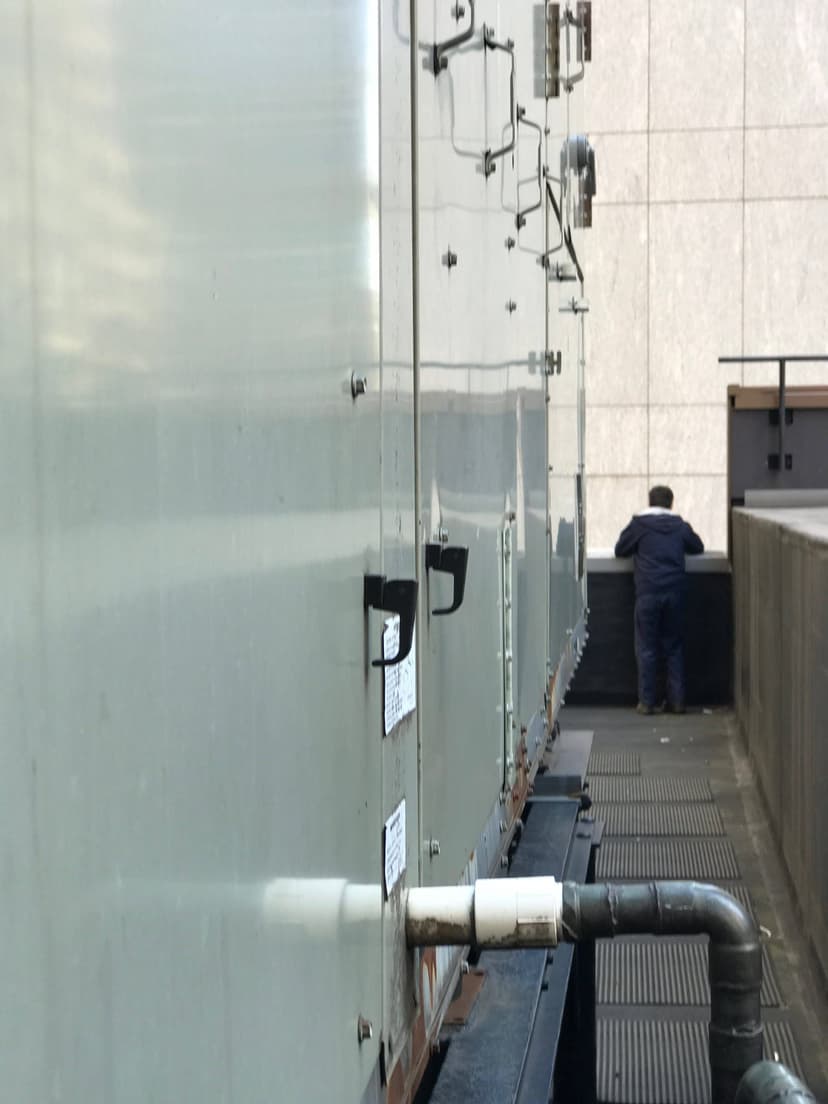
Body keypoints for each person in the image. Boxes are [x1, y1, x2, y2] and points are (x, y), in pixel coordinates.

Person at [614, 486, 704, 714]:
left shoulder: (639, 525)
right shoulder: (679, 526)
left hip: (647, 592)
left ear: (650, 501)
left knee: (646, 647)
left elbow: (620, 549)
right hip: (675, 592)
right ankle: (677, 701)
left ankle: (646, 702)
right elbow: (697, 546)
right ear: (671, 503)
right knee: (673, 646)